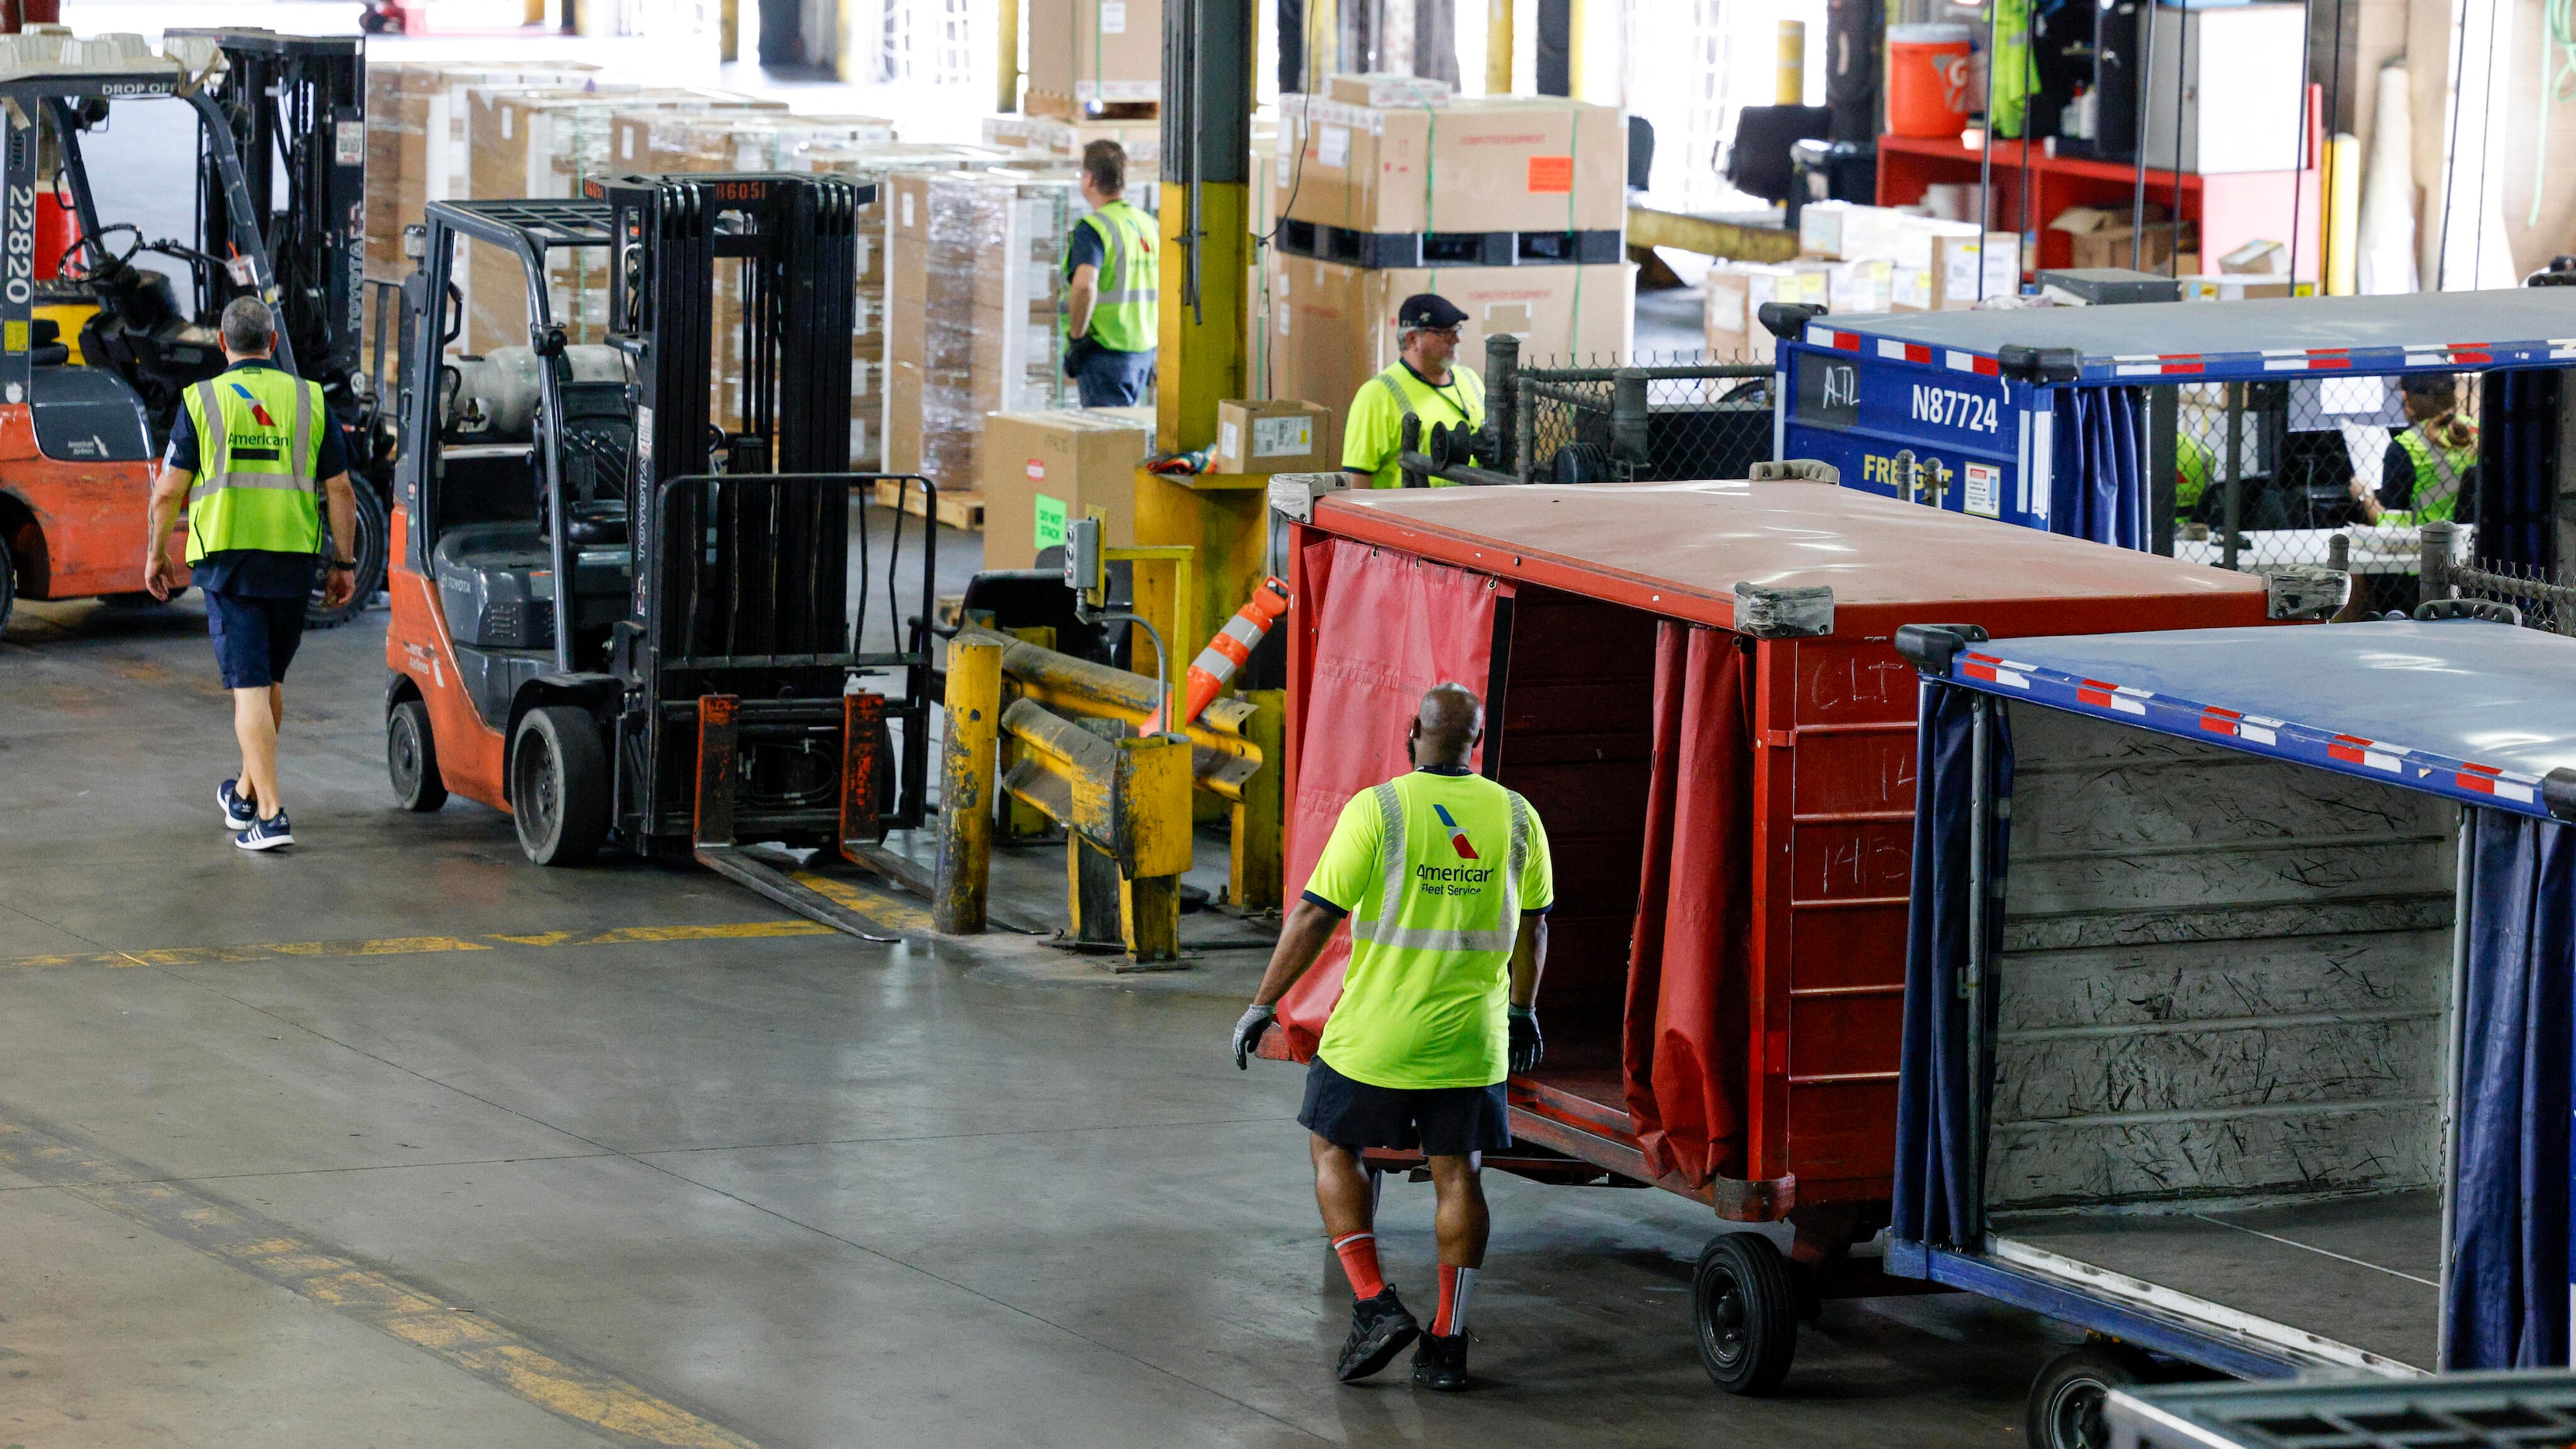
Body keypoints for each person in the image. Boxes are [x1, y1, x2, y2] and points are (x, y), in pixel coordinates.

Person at [1230, 682, 1552, 1393]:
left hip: (1375, 1035)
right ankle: (1447, 1343)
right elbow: (1532, 925)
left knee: (1332, 1147)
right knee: (1457, 1171)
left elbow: (1315, 916)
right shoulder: (1518, 815)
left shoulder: (1378, 808)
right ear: (1475, 741)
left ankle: (1374, 1303)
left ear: (1414, 732)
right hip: (1470, 1039)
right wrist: (1523, 1010)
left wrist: (1263, 1003)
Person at [143, 296, 358, 851]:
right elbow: (340, 488)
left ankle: (271, 814)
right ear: (274, 342)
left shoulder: (202, 401)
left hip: (229, 562)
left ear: (222, 343)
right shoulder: (309, 399)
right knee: (267, 685)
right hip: (290, 560)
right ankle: (242, 793)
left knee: (250, 692)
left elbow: (169, 489)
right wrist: (344, 563)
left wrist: (156, 553)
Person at [1340, 293, 1487, 488]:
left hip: (1472, 510)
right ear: (1412, 339)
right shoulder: (1377, 395)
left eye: (1458, 330)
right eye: (1445, 333)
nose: (1456, 340)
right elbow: (1357, 480)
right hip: (1409, 514)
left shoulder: (1470, 380)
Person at [1062, 140, 1158, 407]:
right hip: (1143, 352)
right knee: (1127, 438)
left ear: (1089, 180)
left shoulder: (1094, 228)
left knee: (1107, 443)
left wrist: (1077, 338)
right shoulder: (1149, 225)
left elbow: (1084, 285)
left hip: (1105, 353)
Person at [2350, 373, 2479, 526]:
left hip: (2424, 541)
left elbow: (2390, 524)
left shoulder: (2405, 446)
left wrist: (2364, 496)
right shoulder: (2477, 430)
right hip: (2470, 536)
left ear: (2408, 403)